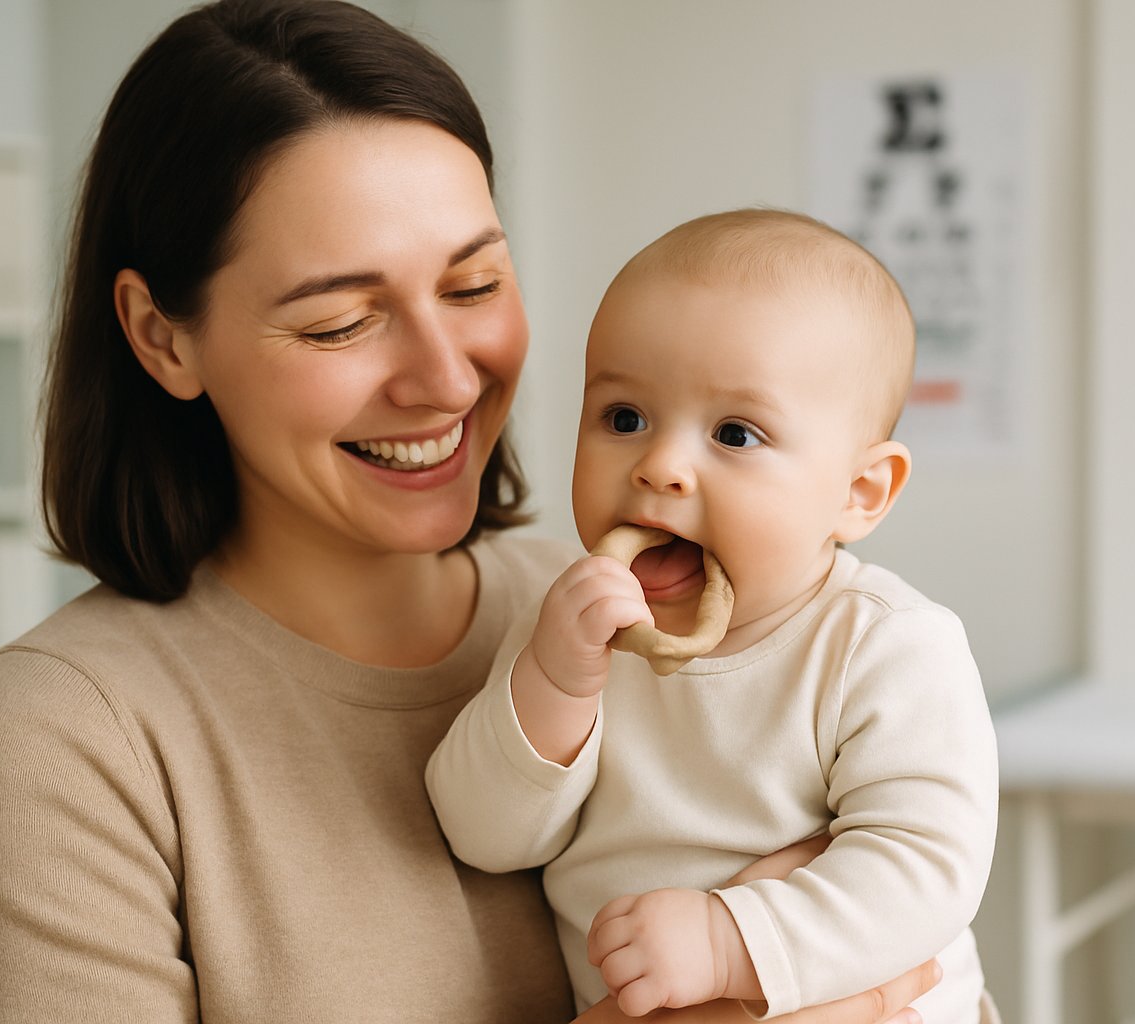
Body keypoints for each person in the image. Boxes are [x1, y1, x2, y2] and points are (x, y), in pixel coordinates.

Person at [0, 2, 941, 1022]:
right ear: (162, 336)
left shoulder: (621, 615)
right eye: (342, 321)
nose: (447, 380)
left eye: (473, 284)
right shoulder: (69, 738)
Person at [426, 210, 1000, 1022]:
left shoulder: (883, 644)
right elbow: (481, 838)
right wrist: (553, 689)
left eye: (735, 433)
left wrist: (729, 940)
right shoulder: (574, 629)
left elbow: (926, 867)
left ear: (858, 492)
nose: (660, 466)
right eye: (624, 419)